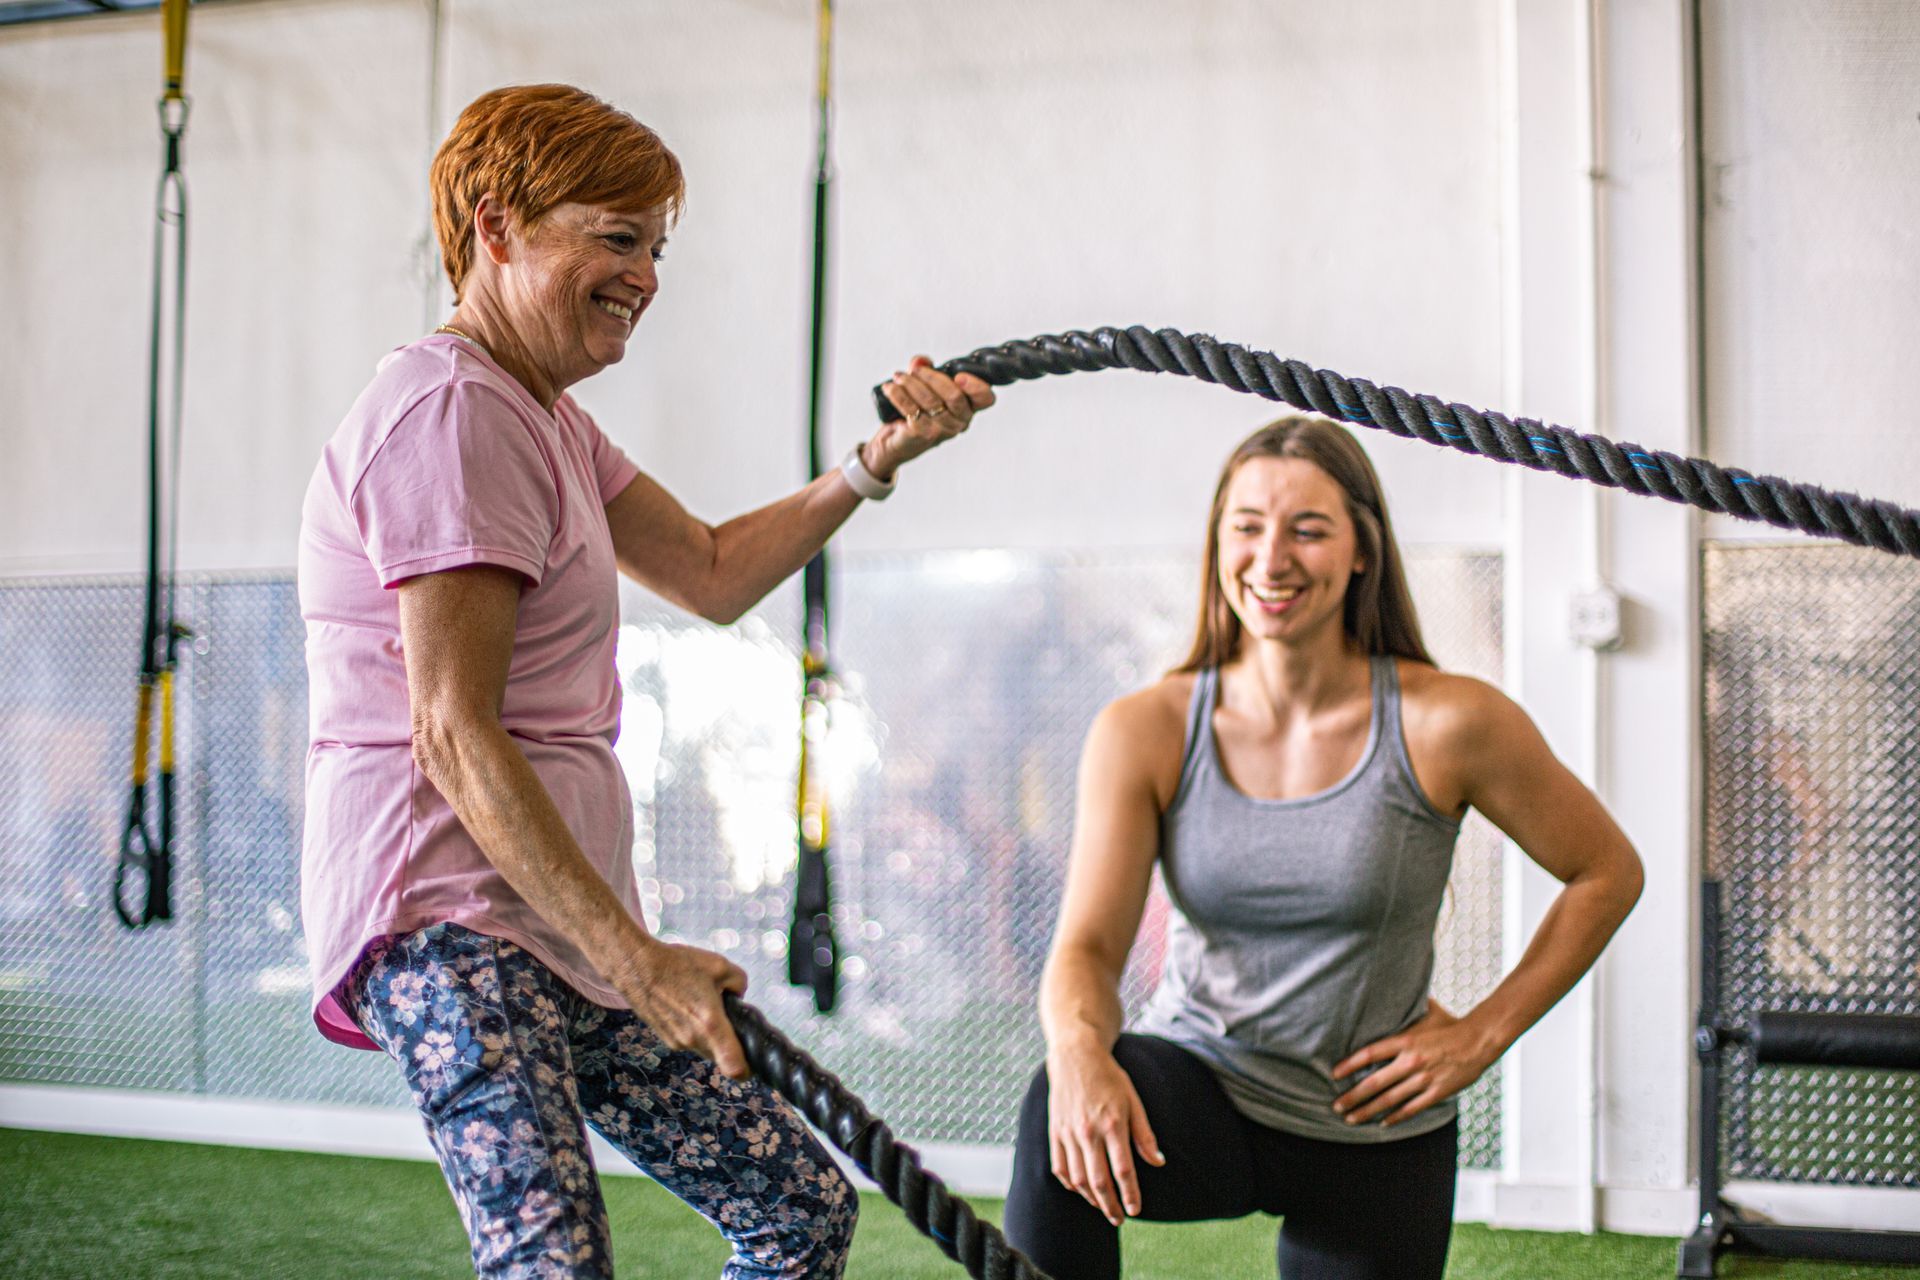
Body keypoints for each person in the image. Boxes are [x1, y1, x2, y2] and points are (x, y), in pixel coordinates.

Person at [296, 83, 992, 1280]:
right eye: (615, 238)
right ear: (497, 225)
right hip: (452, 917)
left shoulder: (544, 416)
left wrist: (875, 463)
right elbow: (453, 732)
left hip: (561, 917)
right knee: (550, 1258)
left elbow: (713, 571)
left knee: (794, 1206)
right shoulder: (451, 410)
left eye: (655, 247)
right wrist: (636, 958)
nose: (647, 276)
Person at [1004, 417, 1644, 1280]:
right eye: (1248, 527)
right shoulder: (1147, 728)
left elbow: (1605, 871)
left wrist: (1485, 1034)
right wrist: (1079, 1056)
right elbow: (1086, 947)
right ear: (1218, 544)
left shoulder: (1448, 721)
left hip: (1371, 1116)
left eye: (1308, 530)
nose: (1272, 559)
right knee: (1058, 1104)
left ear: (1361, 554)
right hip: (1201, 1086)